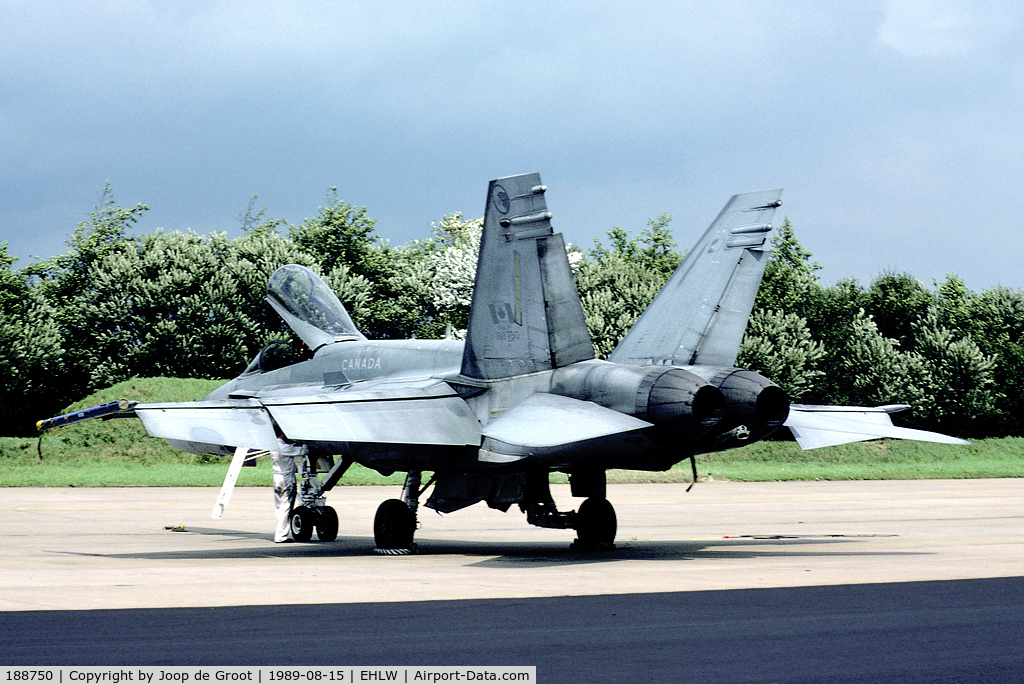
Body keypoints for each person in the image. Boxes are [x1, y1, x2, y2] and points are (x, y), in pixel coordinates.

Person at [271, 427, 308, 543]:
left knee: (279, 506)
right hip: (286, 478)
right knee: (286, 506)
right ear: (282, 433)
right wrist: (305, 443)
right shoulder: (284, 447)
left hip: (277, 476)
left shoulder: (273, 446)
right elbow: (303, 451)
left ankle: (280, 533)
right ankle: (281, 536)